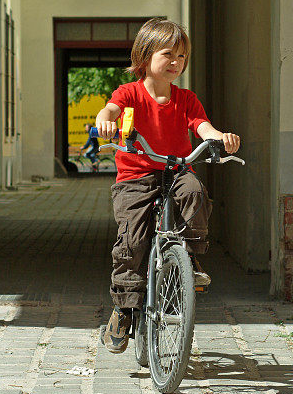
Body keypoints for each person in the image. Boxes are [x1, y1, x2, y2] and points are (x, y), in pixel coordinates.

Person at [95, 18, 240, 353]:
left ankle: (188, 257)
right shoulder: (129, 93)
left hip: (174, 171)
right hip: (136, 176)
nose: (176, 62)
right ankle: (124, 308)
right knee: (132, 239)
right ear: (145, 57)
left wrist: (219, 138)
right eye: (168, 55)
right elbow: (112, 108)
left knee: (195, 192)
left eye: (182, 57)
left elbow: (201, 125)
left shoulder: (186, 99)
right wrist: (106, 120)